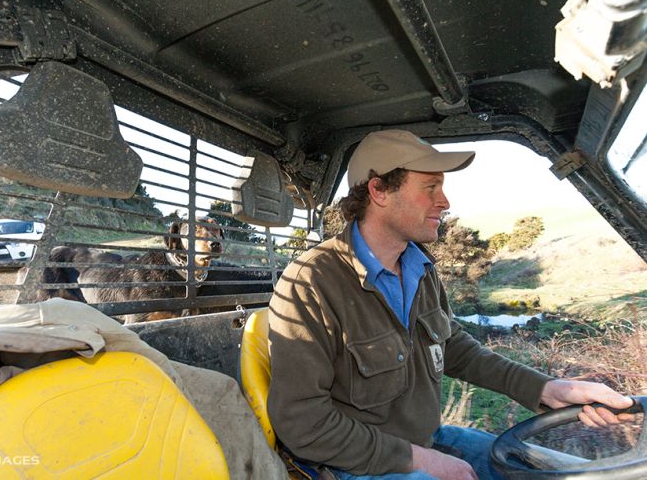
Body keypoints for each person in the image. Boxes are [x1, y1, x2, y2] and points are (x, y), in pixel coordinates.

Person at [266, 129, 634, 480]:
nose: (444, 201)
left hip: (426, 441)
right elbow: (302, 423)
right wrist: (421, 461)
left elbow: (456, 350)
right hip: (355, 463)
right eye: (430, 187)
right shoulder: (311, 282)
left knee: (551, 473)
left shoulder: (420, 269)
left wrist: (550, 389)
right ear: (379, 190)